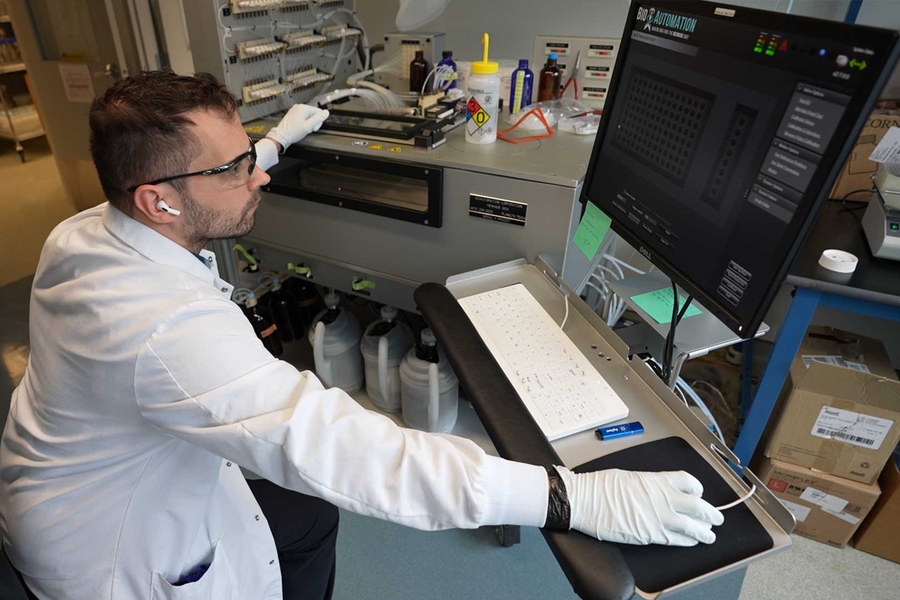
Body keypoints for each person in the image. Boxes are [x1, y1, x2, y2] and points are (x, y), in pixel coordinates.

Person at [0, 71, 724, 600]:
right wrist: (571, 499)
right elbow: (347, 450)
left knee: (306, 520)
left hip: (102, 475)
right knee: (319, 490)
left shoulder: (93, 228)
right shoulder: (158, 329)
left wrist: (280, 137)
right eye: (236, 166)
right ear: (158, 200)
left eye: (250, 153)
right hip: (110, 548)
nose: (258, 178)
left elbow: (206, 181)